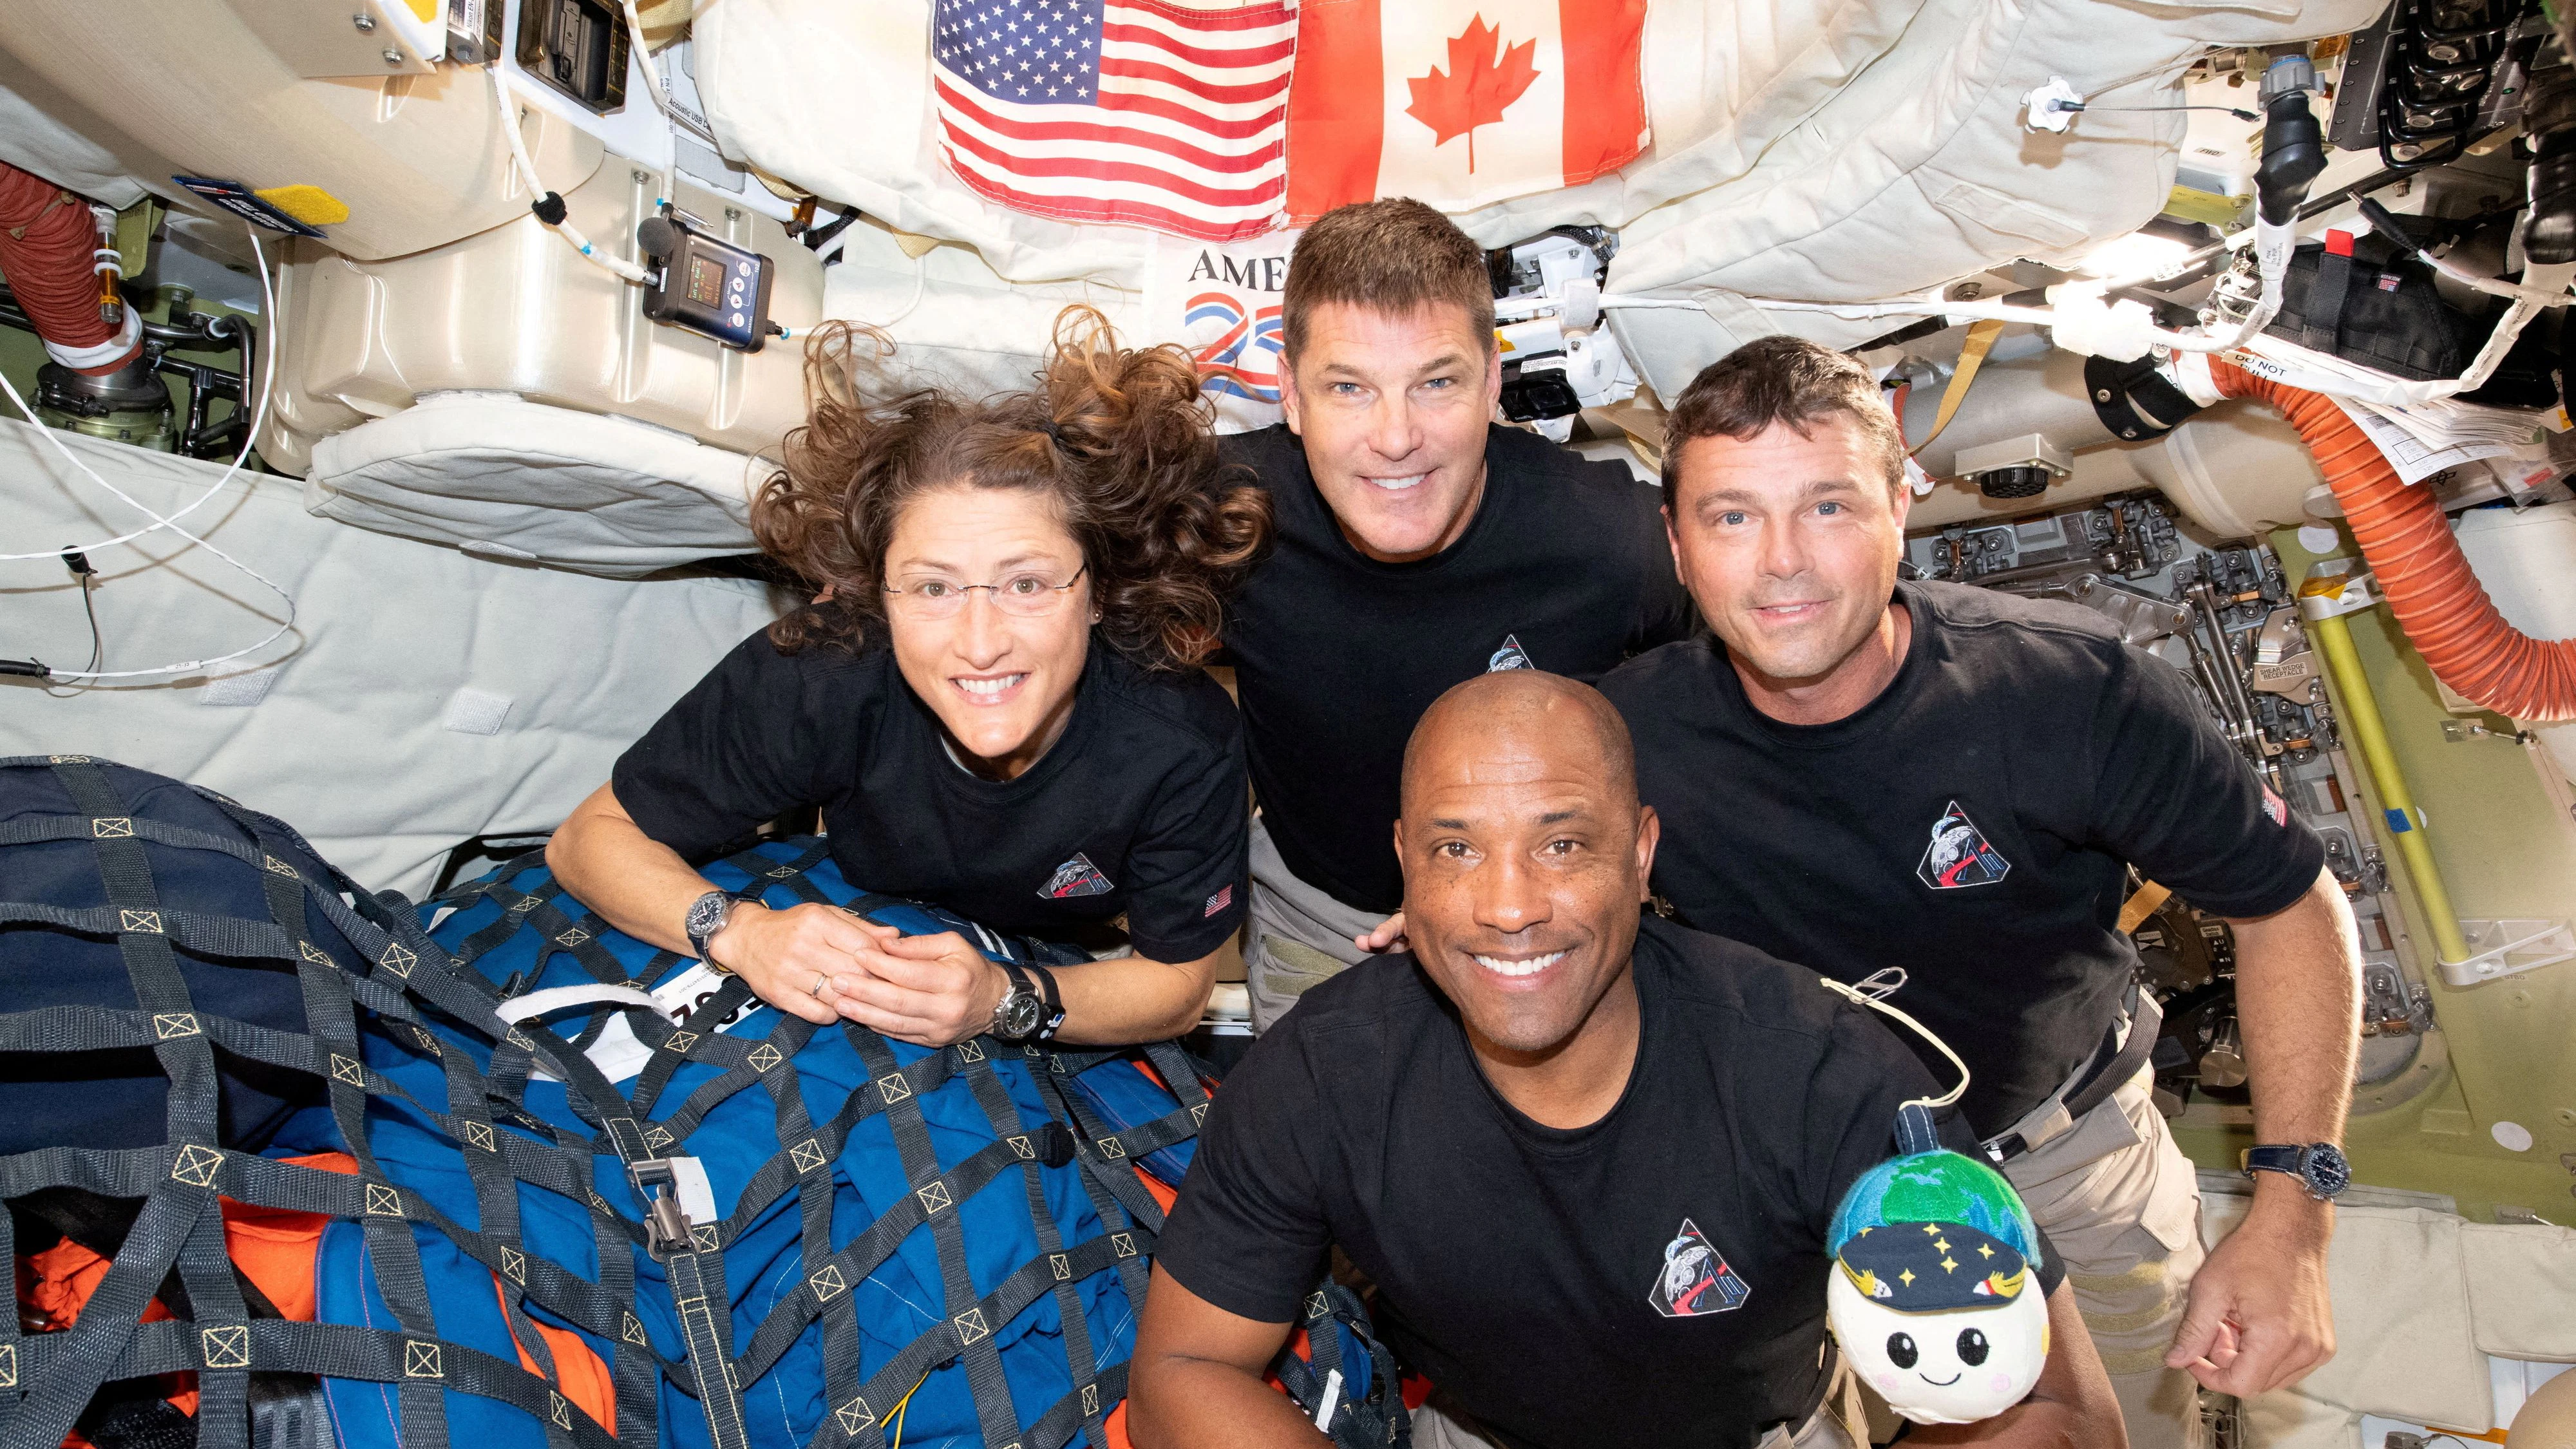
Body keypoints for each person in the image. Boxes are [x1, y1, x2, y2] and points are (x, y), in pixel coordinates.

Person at [1595, 336, 2360, 1448]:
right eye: (1730, 518)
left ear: (1904, 504)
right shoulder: (1621, 736)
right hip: (1796, 1179)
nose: (1782, 565)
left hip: (2064, 1155)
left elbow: (2289, 905)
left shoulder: (2072, 694)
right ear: (1675, 543)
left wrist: (2293, 1214)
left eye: (1828, 507)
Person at [1129, 670, 2123, 1449]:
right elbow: (1182, 1365)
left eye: (1562, 844)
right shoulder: (1320, 1076)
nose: (1509, 907)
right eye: (1457, 850)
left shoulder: (1823, 1073)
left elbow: (2066, 1411)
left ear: (1641, 855)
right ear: (1405, 862)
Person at [547, 308, 1268, 1048]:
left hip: (1061, 965)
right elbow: (587, 839)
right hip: (850, 921)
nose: (980, 644)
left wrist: (1005, 997)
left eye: (1026, 585)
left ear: (1099, 592)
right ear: (877, 596)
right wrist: (738, 932)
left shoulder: (1182, 737)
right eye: (932, 589)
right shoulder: (824, 671)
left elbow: (1178, 986)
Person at [1214, 198, 1695, 1030]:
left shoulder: (1606, 539)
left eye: (1436, 382)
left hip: (1542, 923)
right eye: (1349, 388)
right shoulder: (1222, 519)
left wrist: (1631, 871)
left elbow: (1745, 695)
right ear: (1291, 396)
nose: (1396, 437)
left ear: (1493, 385)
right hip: (1324, 920)